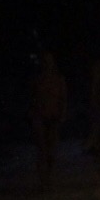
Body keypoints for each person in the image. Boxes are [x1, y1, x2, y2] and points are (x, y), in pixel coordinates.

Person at [29, 51, 68, 190]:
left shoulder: (58, 79)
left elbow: (63, 98)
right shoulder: (37, 79)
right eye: (45, 61)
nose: (47, 63)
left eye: (49, 60)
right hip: (39, 116)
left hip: (53, 117)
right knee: (42, 149)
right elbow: (32, 98)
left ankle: (49, 177)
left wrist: (62, 114)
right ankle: (42, 180)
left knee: (51, 149)